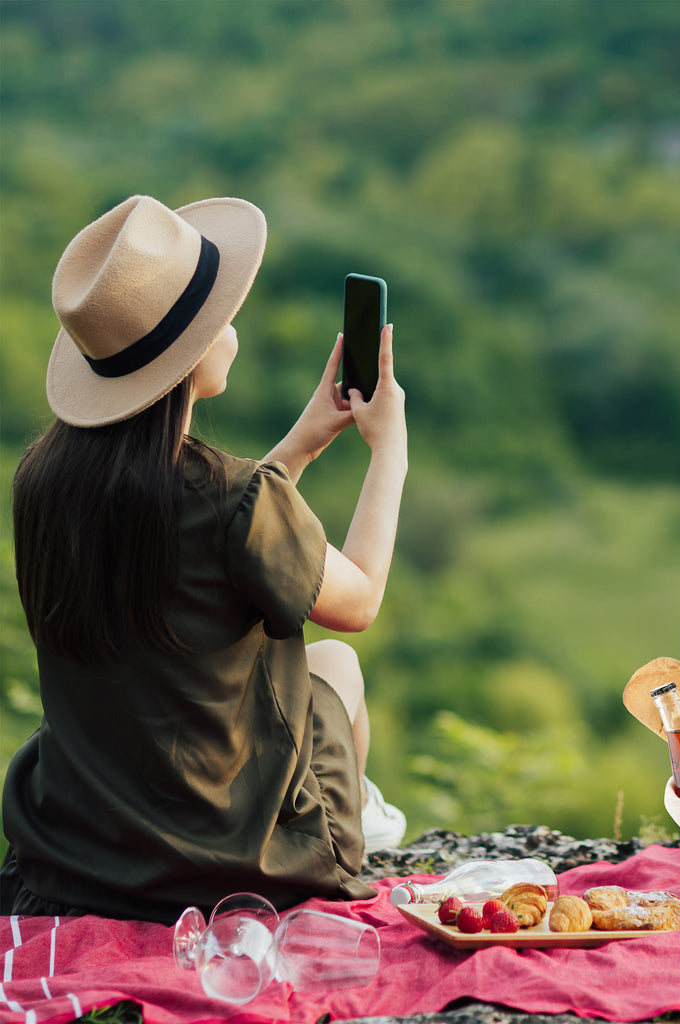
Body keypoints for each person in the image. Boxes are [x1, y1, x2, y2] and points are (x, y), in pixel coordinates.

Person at [0, 194, 408, 924]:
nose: (235, 324)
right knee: (336, 668)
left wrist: (305, 443)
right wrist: (390, 452)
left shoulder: (42, 482)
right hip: (235, 860)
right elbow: (361, 601)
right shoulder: (237, 496)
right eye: (223, 313)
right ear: (192, 351)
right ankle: (343, 838)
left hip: (83, 851)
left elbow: (220, 527)